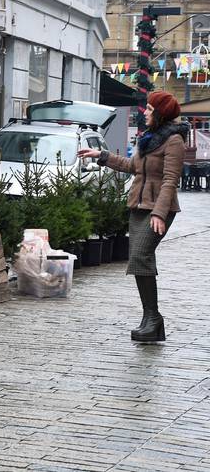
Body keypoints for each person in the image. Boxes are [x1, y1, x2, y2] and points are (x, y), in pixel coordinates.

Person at [78, 91, 187, 342]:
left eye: (149, 108)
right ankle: (151, 320)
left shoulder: (173, 141)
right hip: (138, 208)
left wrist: (160, 213)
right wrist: (102, 156)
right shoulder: (148, 138)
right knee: (138, 260)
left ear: (161, 113)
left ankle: (153, 318)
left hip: (158, 209)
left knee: (141, 255)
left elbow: (171, 180)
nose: (145, 112)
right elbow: (132, 167)